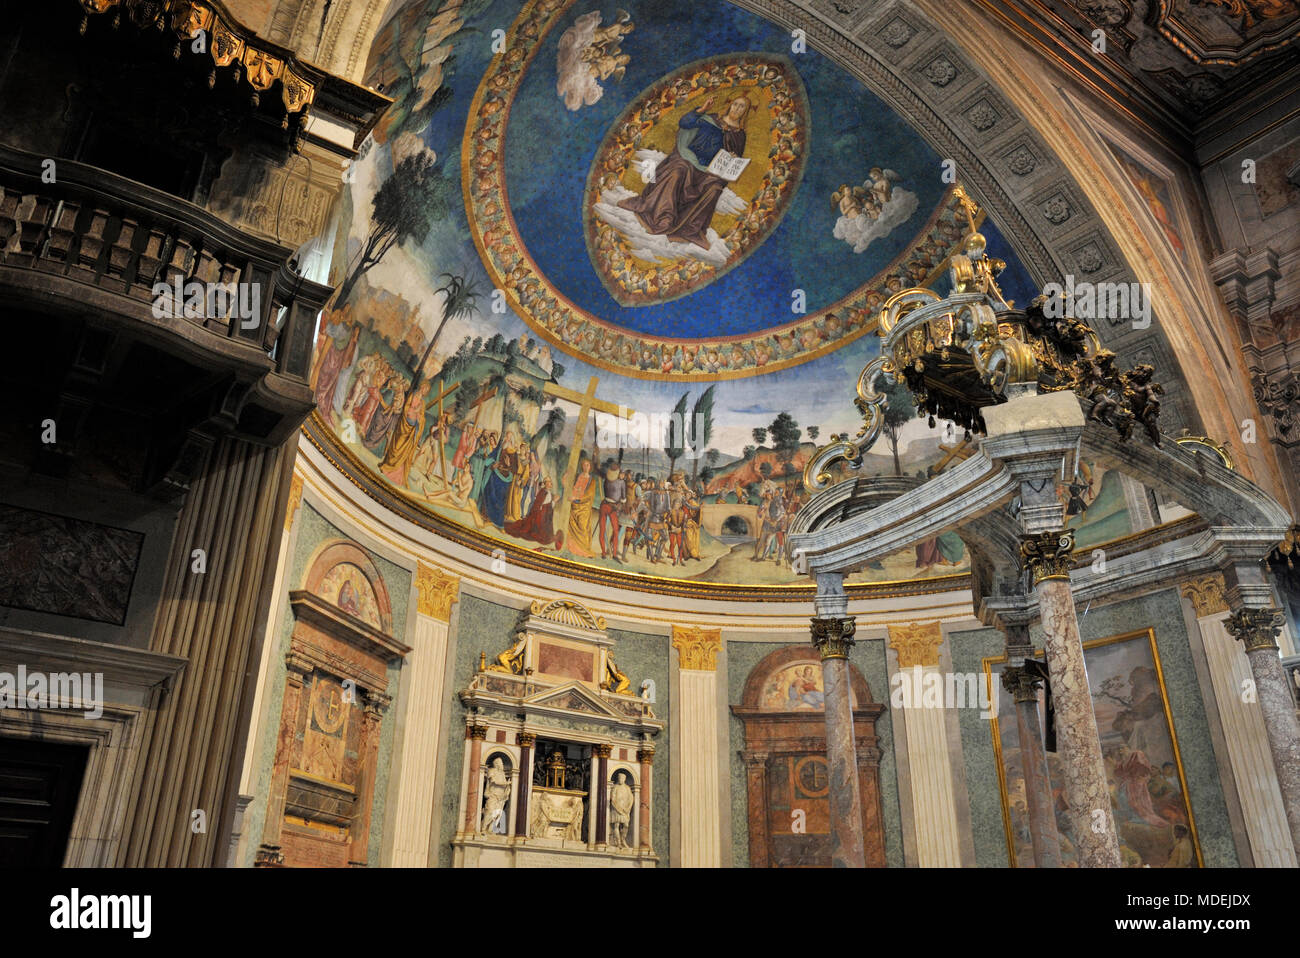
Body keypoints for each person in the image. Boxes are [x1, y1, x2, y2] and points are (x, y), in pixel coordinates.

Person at [617, 93, 752, 250]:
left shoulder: (739, 135)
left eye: (742, 106)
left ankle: (691, 229)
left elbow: (734, 161)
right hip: (688, 159)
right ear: (730, 105)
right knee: (677, 171)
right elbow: (685, 123)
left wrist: (732, 157)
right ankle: (664, 216)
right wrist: (701, 110)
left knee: (715, 188)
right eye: (735, 103)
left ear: (745, 112)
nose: (737, 108)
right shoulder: (711, 119)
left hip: (709, 171)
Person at [379, 380, 430, 485]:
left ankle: (398, 474)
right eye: (424, 387)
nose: (424, 390)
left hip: (412, 429)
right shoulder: (413, 395)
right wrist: (411, 412)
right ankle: (388, 466)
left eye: (426, 390)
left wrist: (419, 417)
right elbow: (406, 406)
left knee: (405, 450)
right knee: (397, 445)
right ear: (421, 386)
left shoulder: (423, 403)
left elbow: (422, 416)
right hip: (405, 424)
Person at [479, 431, 517, 528]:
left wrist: (509, 465)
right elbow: (490, 458)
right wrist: (492, 464)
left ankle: (496, 519)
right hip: (495, 474)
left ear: (511, 441)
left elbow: (515, 469)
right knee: (489, 490)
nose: (506, 440)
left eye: (508, 439)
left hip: (505, 479)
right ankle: (486, 515)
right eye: (506, 438)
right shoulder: (499, 449)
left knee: (500, 498)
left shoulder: (513, 453)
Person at [566, 458, 597, 557]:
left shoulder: (592, 481)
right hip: (574, 505)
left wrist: (577, 498)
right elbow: (571, 486)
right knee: (572, 525)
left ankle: (584, 549)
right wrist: (572, 496)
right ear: (582, 466)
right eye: (584, 465)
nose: (586, 467)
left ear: (590, 467)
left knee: (582, 526)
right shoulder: (577, 476)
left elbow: (589, 494)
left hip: (584, 506)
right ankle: (573, 548)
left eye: (588, 465)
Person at [599, 463, 625, 560]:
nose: (622, 476)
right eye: (621, 474)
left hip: (606, 505)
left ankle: (607, 553)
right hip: (611, 507)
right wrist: (619, 504)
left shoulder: (607, 479)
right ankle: (607, 553)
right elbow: (623, 499)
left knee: (608, 530)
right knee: (611, 530)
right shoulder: (621, 483)